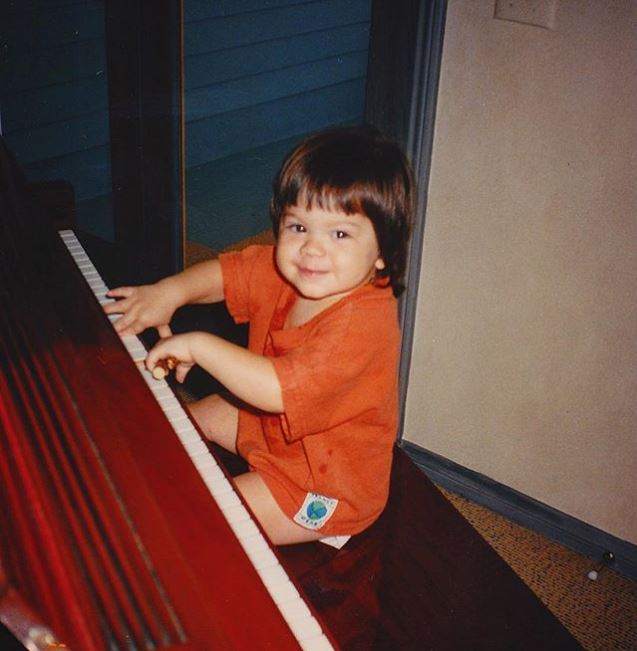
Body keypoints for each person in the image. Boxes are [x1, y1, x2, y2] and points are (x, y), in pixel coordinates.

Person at [104, 126, 415, 545]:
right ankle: (118, 479)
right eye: (298, 226)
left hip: (323, 483)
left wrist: (200, 345)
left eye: (339, 234)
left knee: (211, 514)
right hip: (269, 429)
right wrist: (170, 292)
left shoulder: (361, 327)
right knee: (188, 420)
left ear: (382, 253)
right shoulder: (294, 272)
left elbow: (276, 391)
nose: (312, 249)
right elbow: (229, 275)